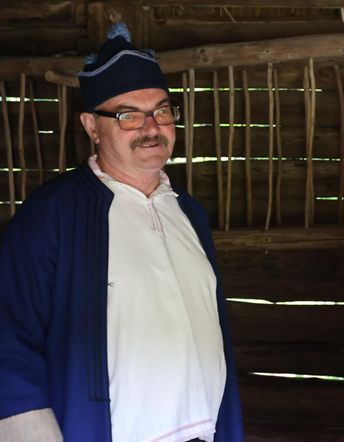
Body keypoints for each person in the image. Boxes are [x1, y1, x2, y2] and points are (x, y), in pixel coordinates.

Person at [0, 23, 243, 442]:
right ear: (92, 126)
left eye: (162, 111)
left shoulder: (188, 211)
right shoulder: (53, 212)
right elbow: (9, 334)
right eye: (128, 115)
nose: (151, 128)